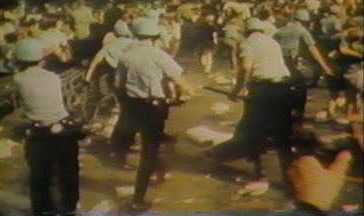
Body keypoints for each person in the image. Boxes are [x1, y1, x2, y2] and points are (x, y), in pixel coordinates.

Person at [113, 18, 192, 210]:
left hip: (132, 106)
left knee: (132, 141)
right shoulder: (158, 55)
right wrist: (183, 95)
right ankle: (139, 198)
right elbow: (179, 80)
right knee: (149, 149)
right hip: (154, 107)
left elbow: (118, 85)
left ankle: (156, 170)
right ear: (154, 37)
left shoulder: (125, 56)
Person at [209, 18, 296, 189]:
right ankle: (290, 178)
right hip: (284, 88)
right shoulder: (271, 42)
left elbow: (246, 68)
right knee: (282, 134)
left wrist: (237, 90)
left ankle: (259, 175)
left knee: (253, 132)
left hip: (264, 89)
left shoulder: (248, 44)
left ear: (246, 32)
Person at [13, 38, 81, 216]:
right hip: (64, 130)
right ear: (41, 60)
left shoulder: (19, 79)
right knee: (68, 176)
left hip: (39, 133)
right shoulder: (53, 77)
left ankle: (44, 211)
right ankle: (69, 210)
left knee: (40, 180)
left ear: (18, 60)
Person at [275, 9, 333, 120]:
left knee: (284, 88)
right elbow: (312, 48)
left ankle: (283, 113)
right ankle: (299, 114)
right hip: (295, 62)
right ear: (305, 21)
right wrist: (324, 66)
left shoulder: (280, 30)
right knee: (301, 88)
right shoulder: (302, 30)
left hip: (281, 62)